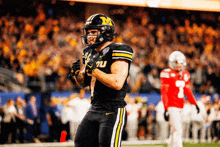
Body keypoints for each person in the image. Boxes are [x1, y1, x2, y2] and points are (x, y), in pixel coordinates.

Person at [69, 13, 133, 147]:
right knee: (80, 142)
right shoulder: (89, 52)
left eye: (93, 32)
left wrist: (95, 70)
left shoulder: (118, 50)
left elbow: (117, 83)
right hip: (94, 107)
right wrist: (77, 75)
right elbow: (84, 83)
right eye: (88, 32)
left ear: (106, 32)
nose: (89, 36)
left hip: (112, 109)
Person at [160, 51, 200, 147]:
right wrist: (166, 108)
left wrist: (194, 103)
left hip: (180, 105)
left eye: (181, 63)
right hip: (172, 106)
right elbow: (164, 93)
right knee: (178, 130)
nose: (179, 66)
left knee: (175, 130)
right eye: (177, 63)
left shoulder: (185, 74)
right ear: (172, 63)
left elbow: (188, 91)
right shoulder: (167, 73)